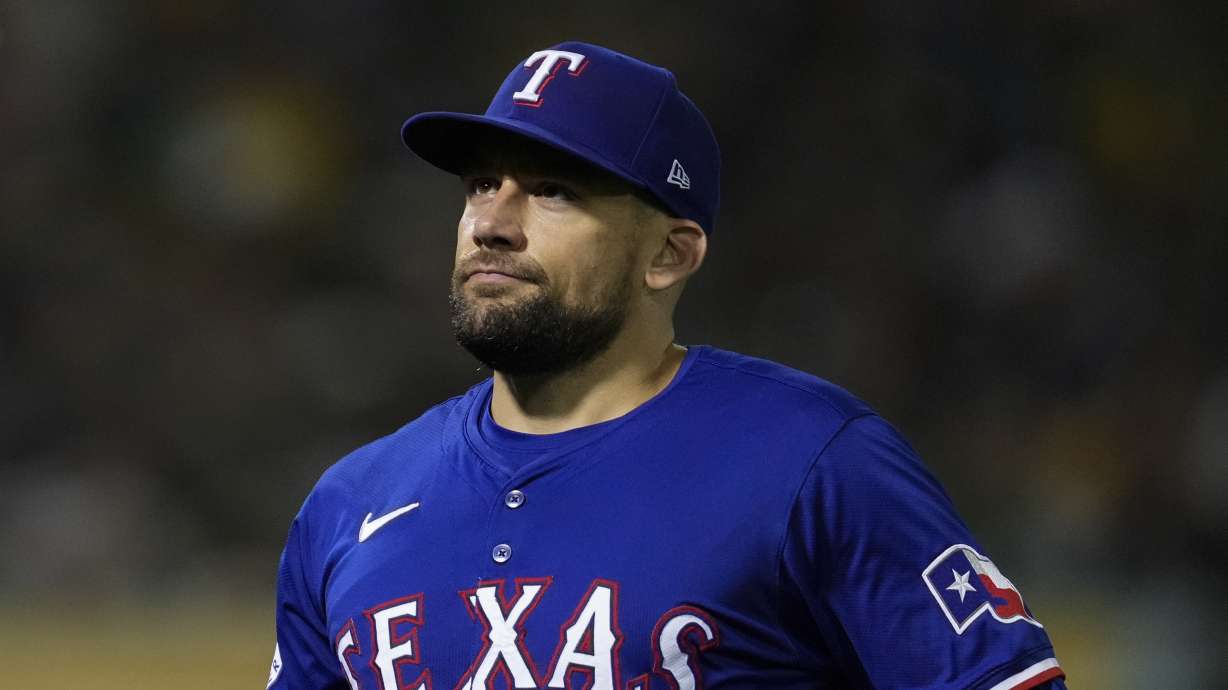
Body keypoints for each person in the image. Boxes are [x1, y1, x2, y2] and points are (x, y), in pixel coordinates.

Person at [270, 41, 1067, 690]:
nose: (492, 223)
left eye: (552, 191)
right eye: (483, 183)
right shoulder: (349, 505)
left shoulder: (810, 463)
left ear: (669, 253)